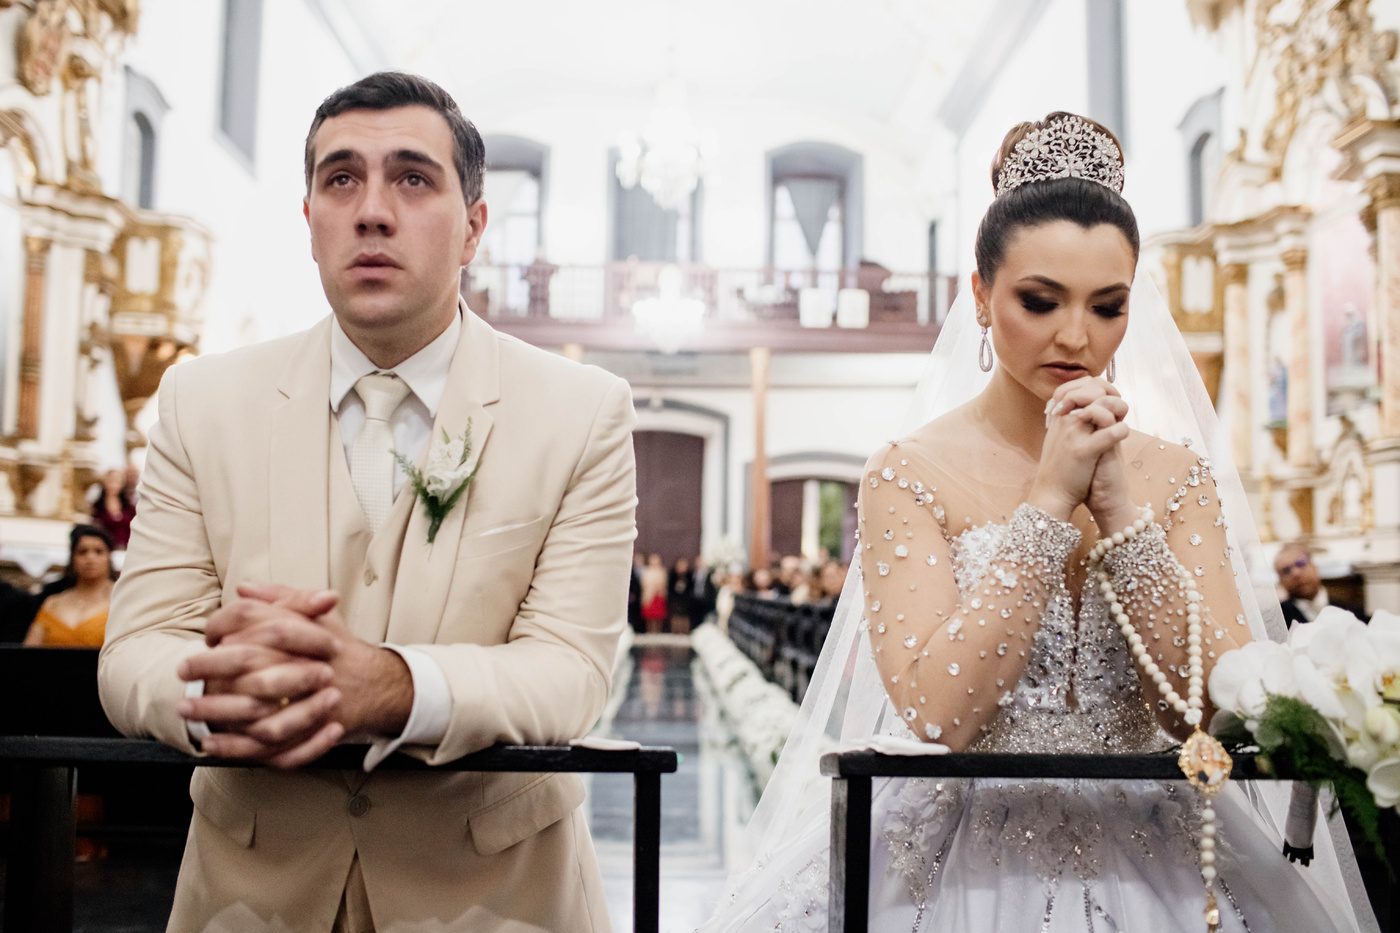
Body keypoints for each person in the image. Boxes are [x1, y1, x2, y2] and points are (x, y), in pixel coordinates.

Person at [701, 113, 1374, 932]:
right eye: (1040, 300)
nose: (1076, 336)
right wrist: (1049, 503)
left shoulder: (1175, 475)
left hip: (1163, 848)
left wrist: (1121, 513)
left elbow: (1209, 712)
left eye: (1107, 306)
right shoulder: (909, 471)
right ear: (981, 296)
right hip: (960, 859)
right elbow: (940, 712)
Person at [97, 72, 636, 932]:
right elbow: (135, 649)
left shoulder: (580, 411)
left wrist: (396, 686)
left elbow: (570, 669)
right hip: (254, 891)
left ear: (473, 227)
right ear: (309, 218)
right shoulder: (203, 401)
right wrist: (224, 694)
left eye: (413, 178)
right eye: (341, 178)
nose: (372, 211)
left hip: (494, 896)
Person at [24, 525, 114, 647]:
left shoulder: (121, 599)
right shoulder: (52, 603)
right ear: (72, 558)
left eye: (99, 552)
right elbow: (28, 651)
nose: (90, 558)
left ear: (109, 557)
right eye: (82, 552)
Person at [1274, 541, 1368, 627]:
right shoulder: (1278, 620)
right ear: (1281, 582)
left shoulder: (1351, 606)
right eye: (1286, 570)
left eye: (1300, 564)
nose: (1296, 574)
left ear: (1314, 567)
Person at [90, 467, 136, 550]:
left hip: (127, 548)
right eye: (111, 481)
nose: (114, 485)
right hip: (107, 549)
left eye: (117, 481)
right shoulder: (98, 506)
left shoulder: (128, 507)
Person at [640, 553, 669, 635]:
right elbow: (644, 582)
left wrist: (658, 587)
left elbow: (664, 583)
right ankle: (649, 631)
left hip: (658, 594)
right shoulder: (647, 571)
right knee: (649, 615)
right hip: (649, 595)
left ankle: (657, 631)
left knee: (658, 615)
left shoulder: (662, 571)